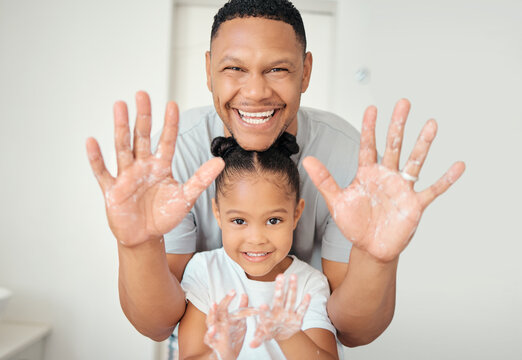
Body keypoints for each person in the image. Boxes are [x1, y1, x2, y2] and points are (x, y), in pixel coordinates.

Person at [85, 0, 465, 348]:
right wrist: (137, 247)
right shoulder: (175, 157)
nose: (255, 91)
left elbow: (353, 331)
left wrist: (376, 260)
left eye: (278, 69)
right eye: (234, 68)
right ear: (208, 70)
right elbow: (157, 324)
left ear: (306, 72)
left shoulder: (348, 158)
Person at [178, 133, 338, 359]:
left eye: (273, 220)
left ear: (296, 214)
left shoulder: (309, 284)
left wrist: (288, 336)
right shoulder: (205, 271)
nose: (256, 239)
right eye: (239, 221)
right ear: (218, 213)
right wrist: (220, 355)